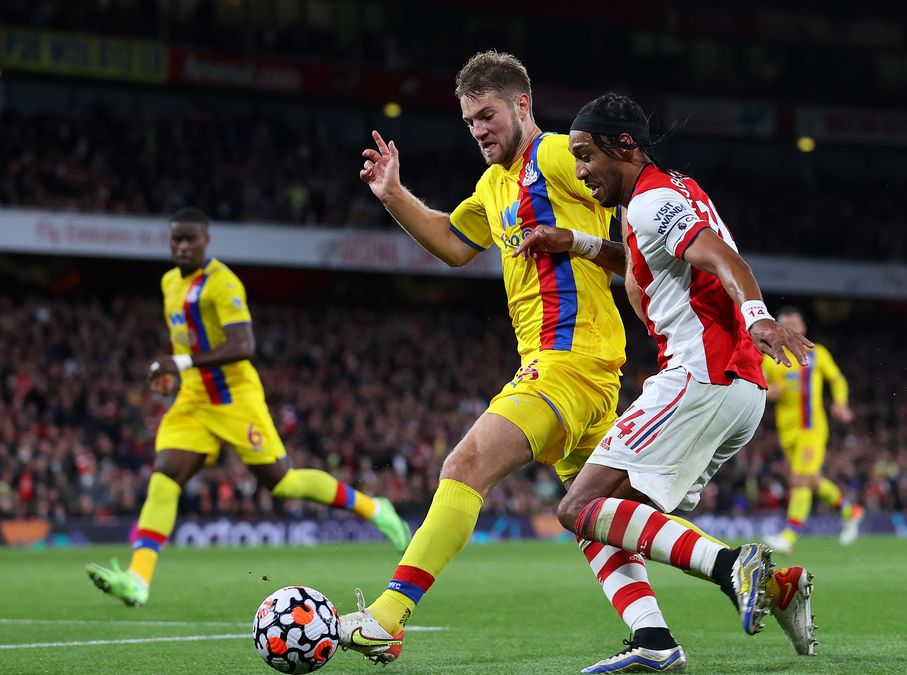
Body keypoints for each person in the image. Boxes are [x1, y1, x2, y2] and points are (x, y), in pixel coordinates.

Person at [340, 53, 735, 668]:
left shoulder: (554, 155)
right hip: (584, 370)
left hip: (567, 362)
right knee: (596, 517)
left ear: (522, 105)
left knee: (466, 464)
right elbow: (452, 244)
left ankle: (386, 618)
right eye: (469, 121)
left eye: (487, 115)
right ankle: (690, 611)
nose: (478, 131)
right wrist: (392, 194)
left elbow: (625, 192)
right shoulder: (492, 186)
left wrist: (612, 239)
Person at [519, 92, 820, 670]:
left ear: (623, 146)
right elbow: (645, 264)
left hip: (702, 375)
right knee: (604, 519)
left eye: (586, 156)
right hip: (736, 390)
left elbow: (725, 261)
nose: (580, 172)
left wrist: (758, 317)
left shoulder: (652, 201)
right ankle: (661, 639)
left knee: (577, 505)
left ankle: (735, 568)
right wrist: (575, 242)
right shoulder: (669, 192)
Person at [85, 208, 411, 607]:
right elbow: (188, 341)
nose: (182, 246)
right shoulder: (169, 282)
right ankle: (138, 579)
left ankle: (375, 509)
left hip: (235, 398)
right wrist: (172, 373)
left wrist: (180, 362)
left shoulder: (222, 283)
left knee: (283, 483)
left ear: (206, 241)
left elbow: (243, 345)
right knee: (164, 477)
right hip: (192, 400)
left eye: (190, 239)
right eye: (176, 239)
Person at [760, 307, 864, 552]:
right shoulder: (771, 358)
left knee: (799, 480)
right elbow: (759, 382)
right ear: (777, 329)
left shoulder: (816, 353)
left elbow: (836, 379)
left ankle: (788, 537)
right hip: (787, 432)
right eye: (786, 324)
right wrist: (767, 391)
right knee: (812, 480)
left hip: (812, 428)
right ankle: (851, 511)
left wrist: (840, 402)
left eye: (795, 324)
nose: (791, 328)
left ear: (803, 327)